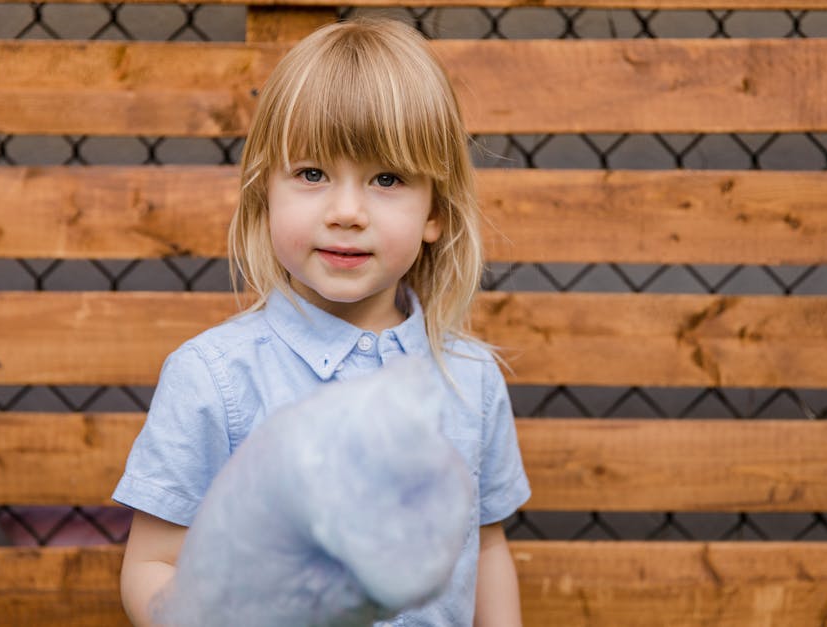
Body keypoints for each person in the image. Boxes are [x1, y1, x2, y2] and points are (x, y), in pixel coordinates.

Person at [113, 17, 530, 627]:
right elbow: (151, 563)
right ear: (265, 194)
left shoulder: (471, 378)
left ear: (434, 211)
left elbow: (486, 546)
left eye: (387, 179)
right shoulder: (213, 378)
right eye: (312, 174)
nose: (346, 212)